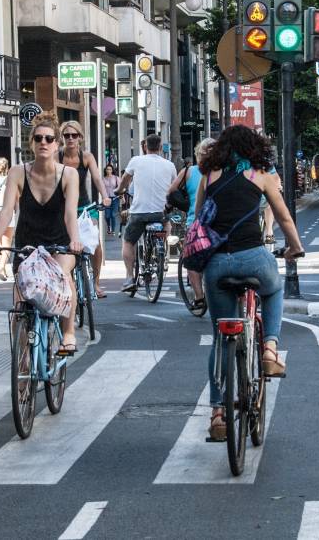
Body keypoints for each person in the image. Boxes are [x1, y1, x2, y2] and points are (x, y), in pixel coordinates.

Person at [194, 126, 305, 440]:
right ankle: (269, 349)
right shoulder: (261, 177)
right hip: (253, 258)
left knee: (219, 337)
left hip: (216, 265)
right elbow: (283, 218)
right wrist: (294, 248)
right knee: (273, 288)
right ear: (255, 150)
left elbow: (199, 220)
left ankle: (217, 414)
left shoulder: (209, 177)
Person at [0, 116, 82, 354]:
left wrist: (75, 240)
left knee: (64, 277)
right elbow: (6, 211)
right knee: (19, 305)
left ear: (57, 144)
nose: (43, 143)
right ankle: (23, 359)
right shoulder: (17, 172)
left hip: (59, 243)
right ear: (32, 144)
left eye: (49, 139)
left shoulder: (68, 175)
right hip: (27, 244)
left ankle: (68, 333)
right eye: (38, 138)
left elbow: (70, 213)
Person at [117, 133, 177, 292]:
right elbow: (174, 187)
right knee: (167, 222)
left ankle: (129, 277)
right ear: (160, 146)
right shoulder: (169, 165)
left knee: (128, 241)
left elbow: (125, 179)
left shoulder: (136, 161)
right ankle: (161, 250)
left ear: (145, 146)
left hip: (139, 212)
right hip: (160, 213)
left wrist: (119, 190)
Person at [59, 120, 111, 297]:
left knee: (95, 243)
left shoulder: (86, 157)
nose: (71, 139)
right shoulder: (57, 157)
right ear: (62, 138)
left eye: (74, 135)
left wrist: (104, 196)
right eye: (67, 136)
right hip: (63, 208)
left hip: (85, 207)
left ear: (80, 137)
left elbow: (97, 178)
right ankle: (70, 282)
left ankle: (95, 283)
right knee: (66, 246)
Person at [167, 137, 214, 313]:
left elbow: (171, 192)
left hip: (196, 223)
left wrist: (183, 204)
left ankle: (200, 298)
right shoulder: (224, 170)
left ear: (198, 155)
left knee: (191, 261)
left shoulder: (189, 171)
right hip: (220, 224)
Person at [102, 164, 120, 236]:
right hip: (107, 199)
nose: (108, 171)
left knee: (113, 215)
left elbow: (120, 188)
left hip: (115, 198)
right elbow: (102, 188)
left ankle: (112, 230)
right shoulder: (103, 179)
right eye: (107, 169)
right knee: (107, 215)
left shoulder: (116, 178)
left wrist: (123, 198)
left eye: (110, 169)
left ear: (112, 170)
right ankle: (109, 226)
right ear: (105, 170)